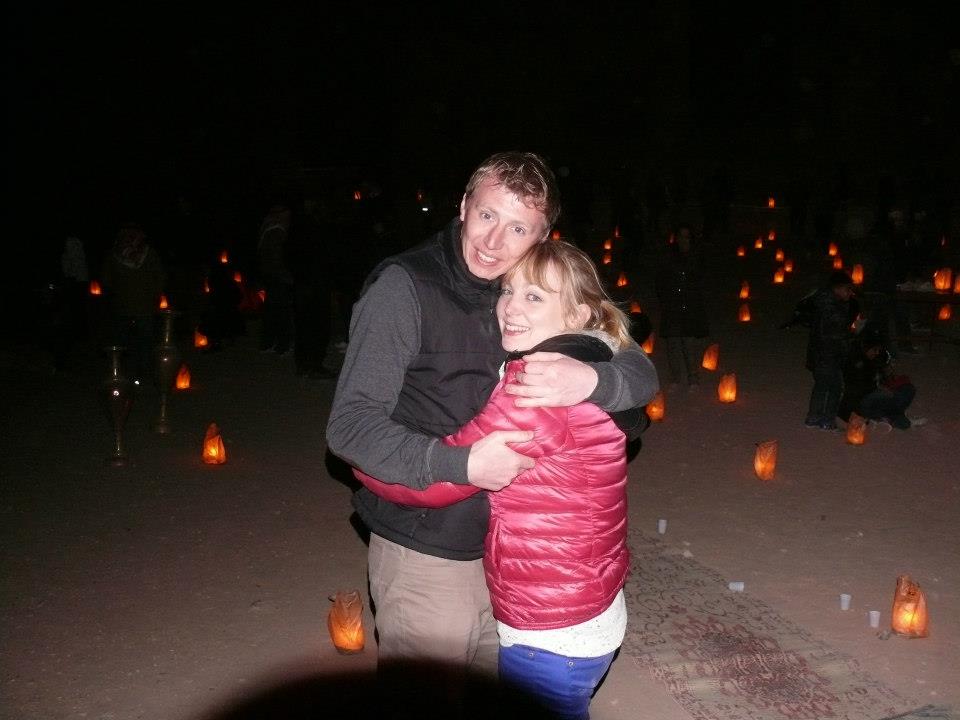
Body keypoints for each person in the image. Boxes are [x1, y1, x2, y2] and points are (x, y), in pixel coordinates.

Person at [325, 152, 658, 702]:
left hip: (515, 565)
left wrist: (592, 382)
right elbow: (351, 428)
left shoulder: (537, 289)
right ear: (462, 206)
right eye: (486, 216)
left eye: (518, 228)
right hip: (427, 555)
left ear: (543, 236)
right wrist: (462, 463)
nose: (493, 242)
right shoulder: (405, 286)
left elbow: (634, 371)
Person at [781, 270, 858, 431]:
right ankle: (827, 420)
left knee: (821, 385)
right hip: (828, 353)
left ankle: (813, 417)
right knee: (835, 387)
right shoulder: (831, 307)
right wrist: (851, 335)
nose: (850, 293)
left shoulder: (824, 302)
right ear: (837, 288)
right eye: (847, 289)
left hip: (819, 353)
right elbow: (834, 332)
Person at [101, 223, 166, 384]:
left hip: (125, 306)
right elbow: (160, 277)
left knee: (123, 341)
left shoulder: (115, 255)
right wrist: (154, 294)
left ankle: (120, 372)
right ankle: (140, 373)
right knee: (142, 341)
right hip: (142, 305)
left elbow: (106, 281)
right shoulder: (148, 254)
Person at [655, 224, 709, 391]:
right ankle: (675, 378)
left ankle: (693, 377)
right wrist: (665, 299)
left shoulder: (697, 256)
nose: (684, 240)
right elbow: (661, 280)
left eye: (687, 237)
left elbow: (701, 280)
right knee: (673, 343)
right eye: (681, 236)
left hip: (690, 305)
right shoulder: (668, 256)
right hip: (673, 305)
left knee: (689, 343)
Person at [839, 322, 921, 430]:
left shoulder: (875, 360)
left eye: (878, 350)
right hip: (864, 401)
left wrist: (889, 377)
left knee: (908, 389)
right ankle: (895, 416)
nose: (876, 353)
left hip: (877, 396)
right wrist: (880, 390)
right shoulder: (856, 363)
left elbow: (884, 376)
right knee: (888, 401)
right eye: (874, 350)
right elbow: (856, 391)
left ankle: (891, 415)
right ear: (866, 348)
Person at [256, 204, 295, 355]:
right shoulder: (276, 231)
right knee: (280, 310)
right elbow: (276, 257)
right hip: (276, 276)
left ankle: (269, 342)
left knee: (272, 309)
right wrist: (286, 276)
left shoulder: (270, 228)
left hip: (271, 275)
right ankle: (281, 345)